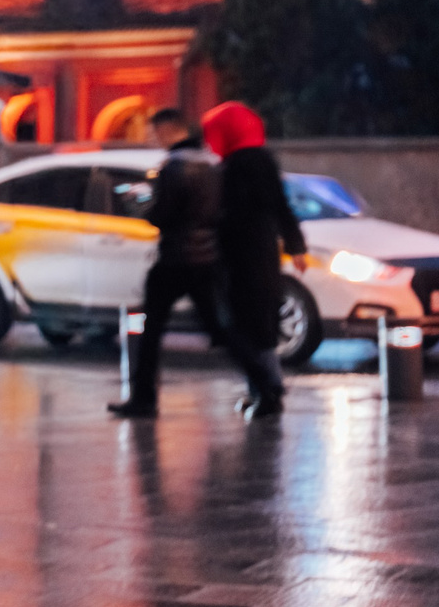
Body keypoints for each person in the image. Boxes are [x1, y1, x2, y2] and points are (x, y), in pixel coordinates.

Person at [110, 107, 275, 417]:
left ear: (168, 130)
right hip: (206, 258)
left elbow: (162, 216)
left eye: (155, 132)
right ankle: (265, 383)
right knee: (221, 329)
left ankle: (143, 399)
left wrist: (141, 206)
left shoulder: (173, 167)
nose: (154, 138)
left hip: (174, 258)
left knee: (152, 329)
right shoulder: (212, 163)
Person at [204, 101, 307, 419]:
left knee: (243, 325)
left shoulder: (237, 166)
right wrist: (295, 245)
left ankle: (268, 391)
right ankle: (262, 388)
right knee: (258, 323)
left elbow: (231, 212)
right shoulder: (259, 161)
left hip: (241, 254)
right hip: (261, 251)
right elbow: (280, 205)